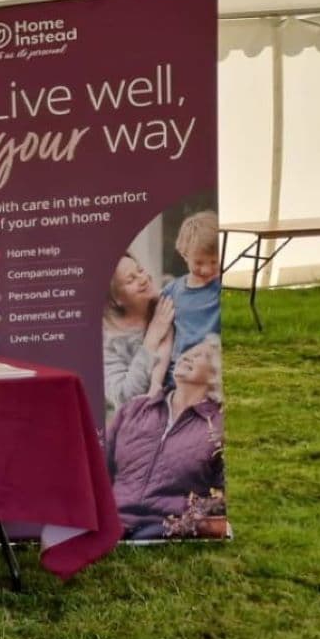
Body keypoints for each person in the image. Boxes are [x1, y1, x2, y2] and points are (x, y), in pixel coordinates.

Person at [107, 334, 226, 540]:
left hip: (166, 526)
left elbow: (223, 496)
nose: (188, 356)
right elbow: (98, 467)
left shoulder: (217, 426)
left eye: (203, 356)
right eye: (189, 352)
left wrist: (195, 523)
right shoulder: (134, 409)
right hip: (114, 519)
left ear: (216, 376)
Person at [103, 252, 173, 421]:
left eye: (140, 270)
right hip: (144, 422)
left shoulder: (168, 302)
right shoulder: (108, 341)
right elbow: (124, 397)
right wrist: (151, 339)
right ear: (116, 299)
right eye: (131, 280)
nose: (143, 279)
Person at [160, 209, 221, 364]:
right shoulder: (172, 291)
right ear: (185, 255)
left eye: (214, 262)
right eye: (198, 263)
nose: (207, 270)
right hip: (179, 369)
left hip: (211, 369)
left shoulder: (223, 287)